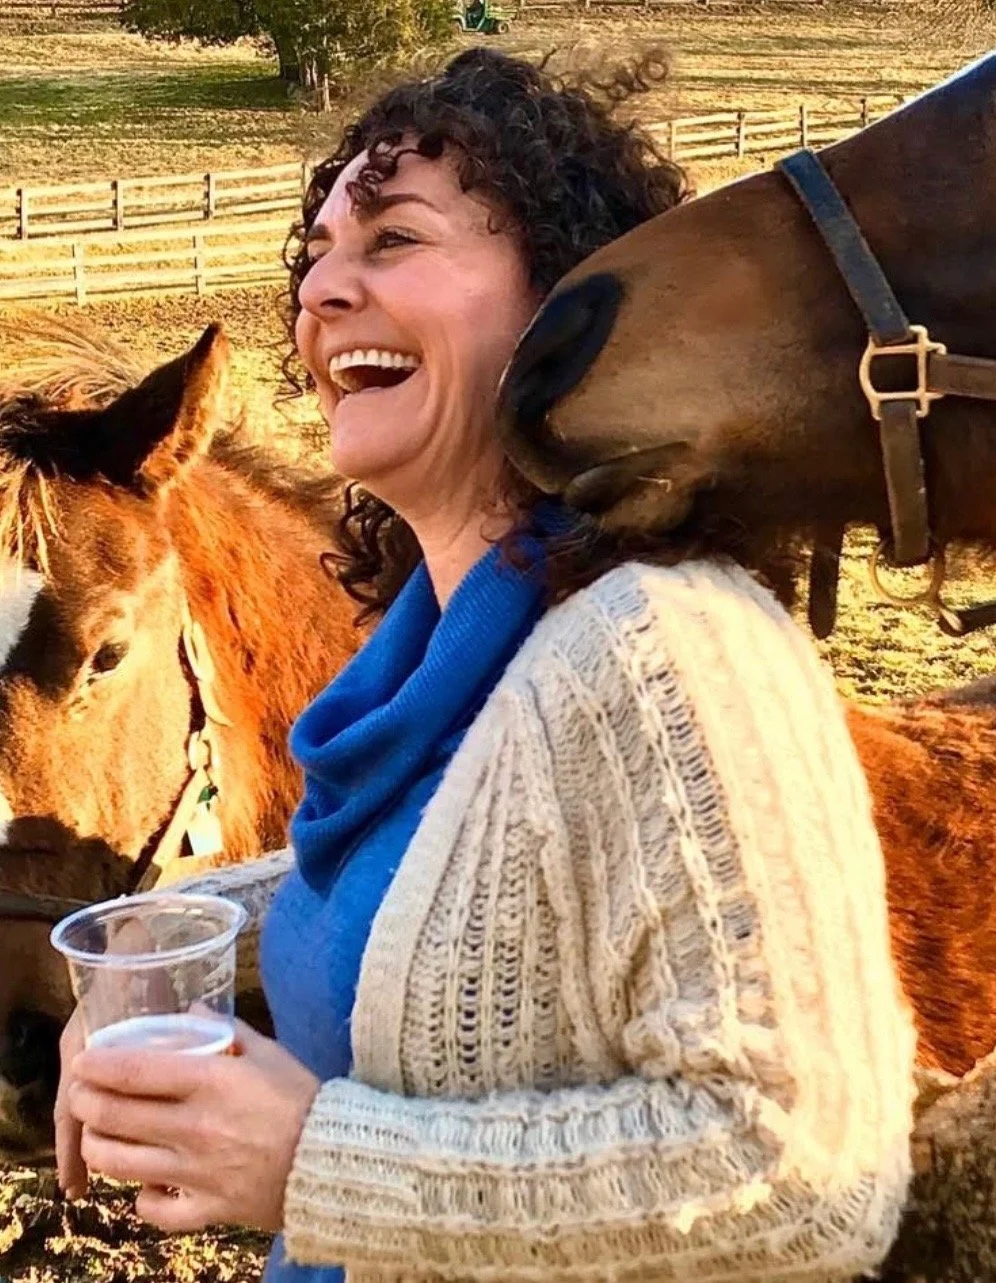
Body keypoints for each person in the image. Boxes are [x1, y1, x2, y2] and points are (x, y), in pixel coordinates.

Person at [53, 46, 916, 1283]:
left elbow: (801, 1173)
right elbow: (448, 870)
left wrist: (309, 1163)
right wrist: (170, 930)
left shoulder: (669, 652)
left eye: (394, 239)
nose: (323, 291)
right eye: (318, 255)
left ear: (567, 301)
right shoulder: (433, 651)